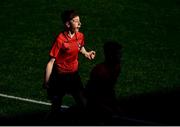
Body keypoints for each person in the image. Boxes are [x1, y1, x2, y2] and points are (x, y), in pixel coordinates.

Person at [43, 10, 96, 116]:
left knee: (82, 102)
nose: (79, 23)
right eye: (76, 21)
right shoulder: (60, 39)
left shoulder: (80, 36)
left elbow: (80, 46)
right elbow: (51, 62)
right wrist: (46, 81)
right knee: (56, 107)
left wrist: (86, 53)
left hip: (73, 75)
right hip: (60, 77)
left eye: (79, 21)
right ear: (68, 24)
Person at [84, 41, 122, 121]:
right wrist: (105, 108)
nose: (120, 56)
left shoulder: (117, 67)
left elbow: (110, 87)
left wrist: (114, 104)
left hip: (105, 101)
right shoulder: (99, 72)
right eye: (117, 54)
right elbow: (89, 94)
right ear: (110, 55)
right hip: (95, 107)